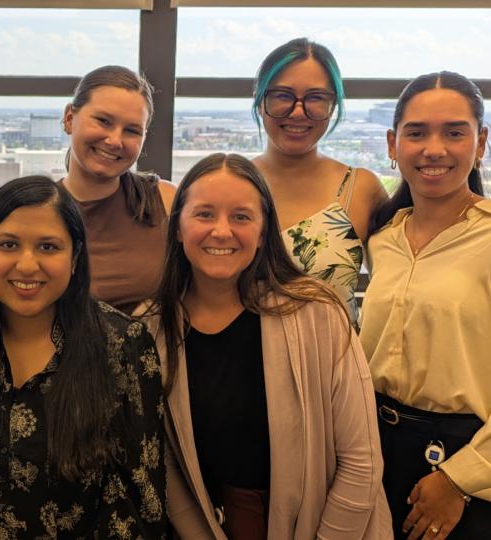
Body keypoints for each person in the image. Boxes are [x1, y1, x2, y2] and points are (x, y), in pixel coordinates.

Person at [362, 71, 491, 540]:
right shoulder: (385, 239)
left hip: (464, 456)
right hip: (375, 445)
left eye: (454, 133)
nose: (434, 149)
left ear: (480, 143)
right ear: (393, 144)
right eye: (416, 133)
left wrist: (459, 479)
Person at [0, 176, 166, 538]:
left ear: (75, 257)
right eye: (8, 244)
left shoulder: (123, 344)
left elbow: (142, 500)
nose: (27, 265)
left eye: (48, 247)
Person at [143, 153, 390, 539]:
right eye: (204, 214)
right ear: (177, 228)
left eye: (241, 217)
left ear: (263, 233)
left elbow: (362, 462)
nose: (221, 231)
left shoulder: (318, 314)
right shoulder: (151, 329)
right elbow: (166, 467)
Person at [250, 38, 388, 325]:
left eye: (316, 98)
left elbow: (398, 284)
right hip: (240, 353)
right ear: (260, 100)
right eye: (282, 95)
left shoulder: (360, 188)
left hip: (336, 353)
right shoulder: (230, 183)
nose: (298, 112)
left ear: (333, 105)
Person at [59, 65, 178, 314]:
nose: (114, 141)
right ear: (69, 118)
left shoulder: (166, 202)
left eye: (132, 130)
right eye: (103, 121)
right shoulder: (37, 210)